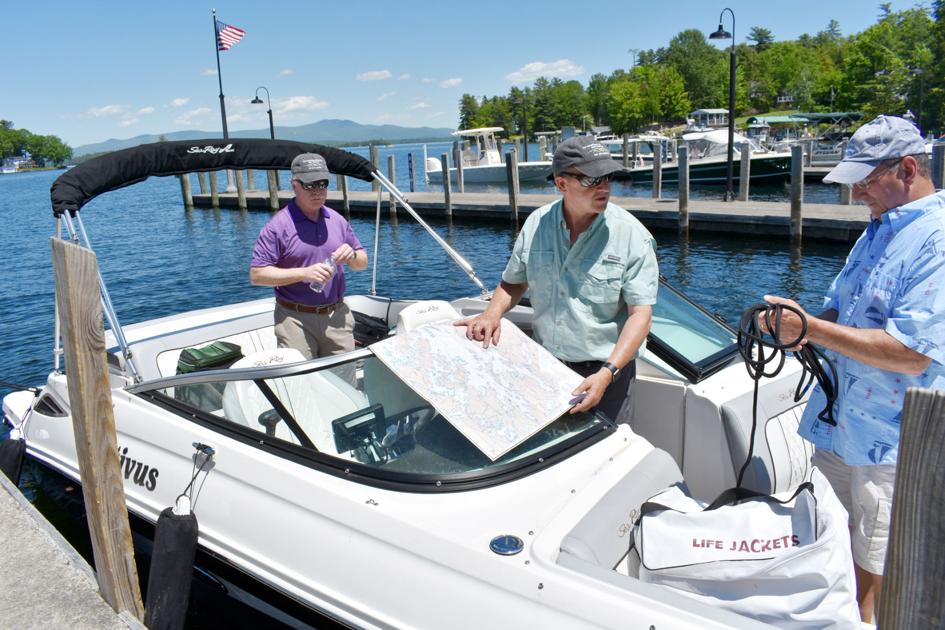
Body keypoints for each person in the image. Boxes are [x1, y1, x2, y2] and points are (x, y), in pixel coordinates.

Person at [761, 115, 945, 621]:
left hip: (890, 443)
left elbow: (913, 352)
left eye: (864, 180)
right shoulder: (877, 231)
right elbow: (839, 311)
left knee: (883, 565)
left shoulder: (937, 240)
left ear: (908, 168)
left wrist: (814, 331)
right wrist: (799, 328)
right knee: (838, 547)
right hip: (840, 428)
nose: (856, 192)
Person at [455, 136, 658, 423]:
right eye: (592, 179)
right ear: (562, 184)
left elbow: (641, 315)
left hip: (607, 375)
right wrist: (491, 314)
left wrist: (607, 373)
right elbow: (513, 282)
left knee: (605, 458)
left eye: (608, 177)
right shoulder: (536, 224)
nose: (604, 187)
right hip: (545, 368)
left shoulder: (633, 236)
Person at [250, 152, 368, 359]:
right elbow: (257, 275)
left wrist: (352, 256)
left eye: (322, 184)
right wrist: (304, 273)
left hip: (337, 317)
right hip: (295, 320)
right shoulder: (277, 227)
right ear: (294, 185)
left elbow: (362, 263)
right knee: (303, 385)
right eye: (309, 185)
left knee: (343, 383)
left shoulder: (337, 219)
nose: (317, 191)